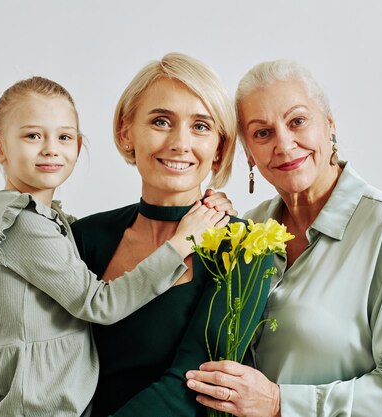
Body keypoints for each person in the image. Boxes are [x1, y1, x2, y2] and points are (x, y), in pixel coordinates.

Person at [185, 60, 382, 417]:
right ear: (249, 153)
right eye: (263, 133)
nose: (284, 144)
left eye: (297, 121)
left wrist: (280, 404)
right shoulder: (249, 227)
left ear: (330, 125)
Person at [0, 76, 232, 417]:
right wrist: (181, 242)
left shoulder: (55, 222)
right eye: (33, 135)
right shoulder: (21, 221)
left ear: (78, 147)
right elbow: (99, 303)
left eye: (64, 137)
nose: (51, 148)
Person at [71, 53, 274, 417]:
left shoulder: (244, 247)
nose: (180, 143)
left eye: (200, 126)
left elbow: (194, 383)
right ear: (126, 131)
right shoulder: (84, 237)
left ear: (219, 148)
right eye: (161, 121)